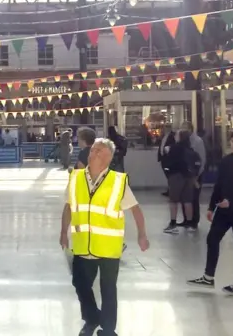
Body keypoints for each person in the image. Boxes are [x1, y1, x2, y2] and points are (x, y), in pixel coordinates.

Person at [60, 138, 149, 336]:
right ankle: (91, 318)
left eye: (98, 151)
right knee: (80, 284)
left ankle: (108, 329)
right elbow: (68, 206)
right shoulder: (76, 178)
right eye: (93, 150)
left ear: (108, 157)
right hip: (83, 244)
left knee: (108, 289)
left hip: (108, 246)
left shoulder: (117, 181)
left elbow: (135, 209)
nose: (93, 153)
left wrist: (142, 235)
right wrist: (63, 232)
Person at [187, 128, 233, 294]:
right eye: (232, 142)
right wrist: (212, 206)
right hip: (224, 210)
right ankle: (208, 276)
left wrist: (232, 202)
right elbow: (219, 186)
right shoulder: (226, 161)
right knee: (212, 239)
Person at [163, 130, 199, 234]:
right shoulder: (190, 148)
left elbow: (168, 160)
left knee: (173, 200)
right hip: (189, 177)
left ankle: (173, 224)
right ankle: (190, 224)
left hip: (176, 176)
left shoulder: (174, 148)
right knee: (188, 201)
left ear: (179, 137)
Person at [179, 121, 206, 229]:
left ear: (191, 129)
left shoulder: (198, 141)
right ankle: (186, 219)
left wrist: (197, 175)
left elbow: (202, 159)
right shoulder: (183, 141)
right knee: (184, 198)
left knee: (194, 198)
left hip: (195, 174)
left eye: (185, 129)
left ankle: (194, 220)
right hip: (185, 173)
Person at [158, 126, 176, 197]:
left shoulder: (172, 136)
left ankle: (172, 191)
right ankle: (169, 190)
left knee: (170, 175)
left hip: (168, 159)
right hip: (163, 159)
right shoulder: (163, 136)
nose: (164, 129)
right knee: (167, 175)